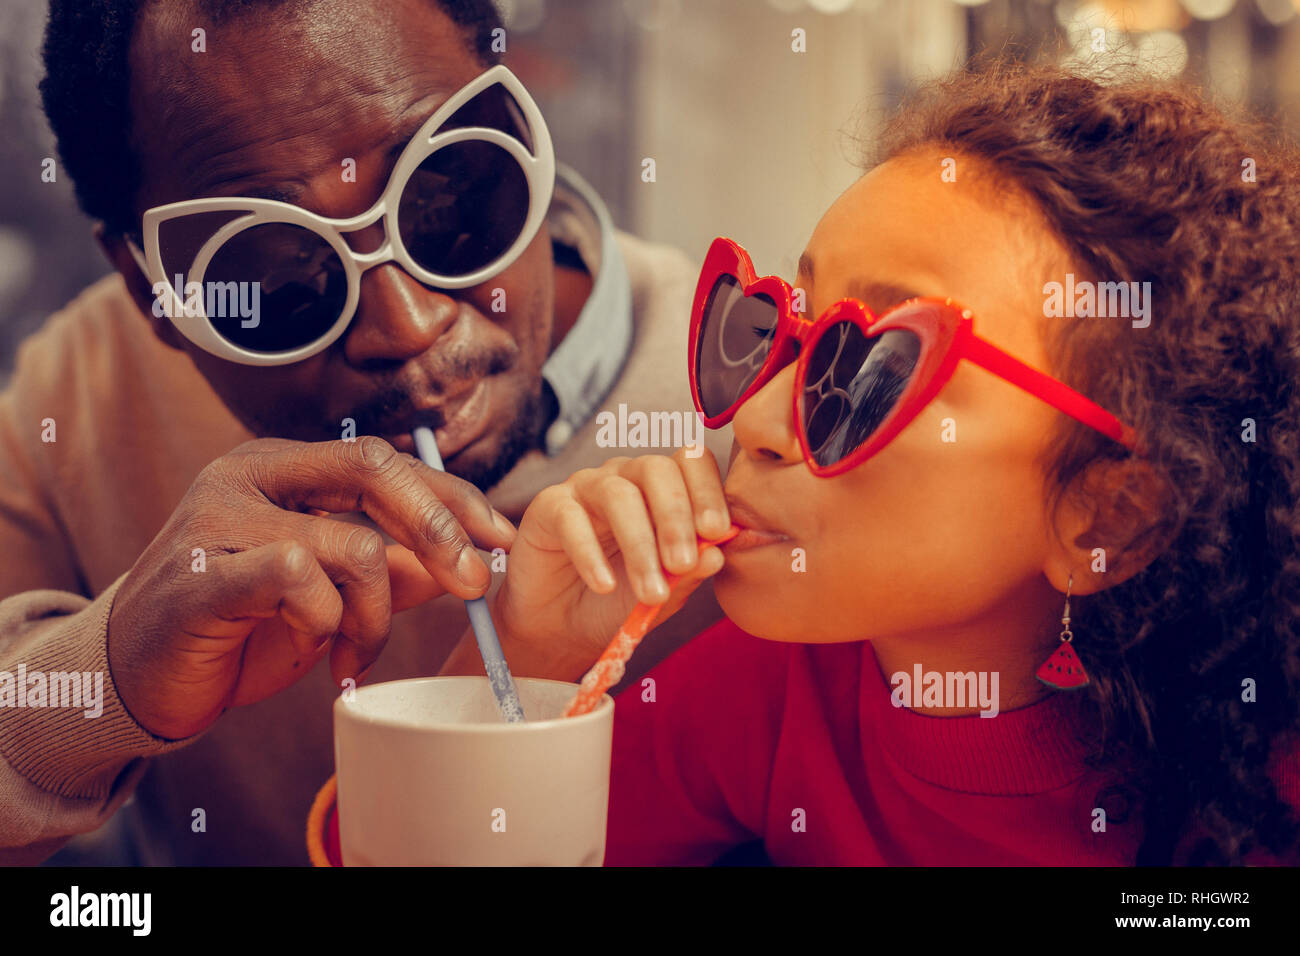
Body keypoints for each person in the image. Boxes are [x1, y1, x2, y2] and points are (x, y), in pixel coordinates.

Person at [458, 59, 1300, 865]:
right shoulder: (772, 696)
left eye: (871, 367)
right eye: (776, 331)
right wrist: (530, 650)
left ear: (1107, 516)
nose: (754, 420)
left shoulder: (1255, 791)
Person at [0, 0, 727, 865]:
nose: (408, 325)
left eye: (446, 192)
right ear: (147, 289)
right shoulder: (85, 391)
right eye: (276, 270)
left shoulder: (736, 407)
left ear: (524, 119)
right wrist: (109, 674)